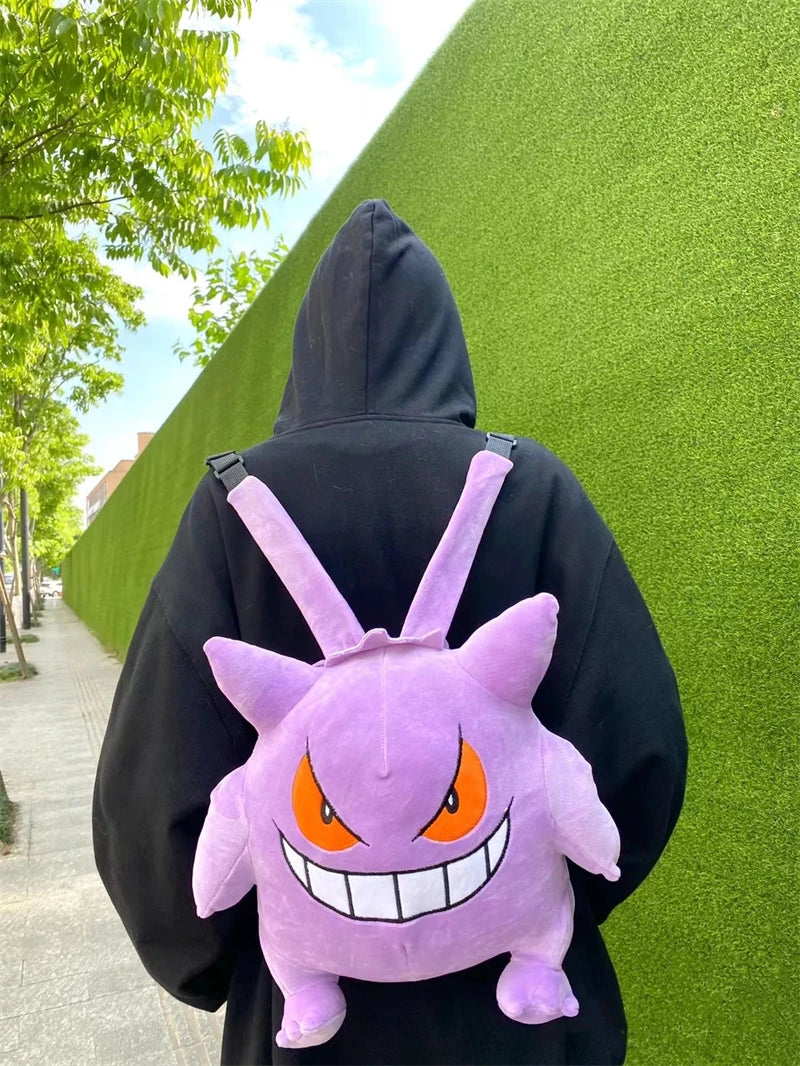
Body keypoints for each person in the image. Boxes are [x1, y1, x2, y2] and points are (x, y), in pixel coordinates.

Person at [93, 199, 688, 1065]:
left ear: (306, 355)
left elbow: (150, 793)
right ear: (446, 344)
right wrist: (527, 889)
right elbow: (638, 743)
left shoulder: (230, 511)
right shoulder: (532, 489)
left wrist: (222, 957)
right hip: (522, 1019)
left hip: (307, 1021)